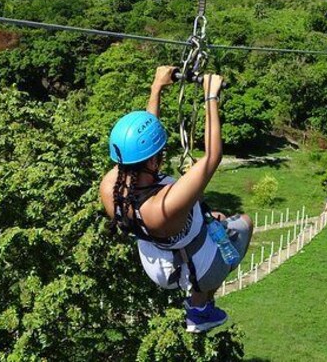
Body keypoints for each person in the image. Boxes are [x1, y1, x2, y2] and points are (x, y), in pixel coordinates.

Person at [99, 66, 253, 333]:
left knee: (215, 216)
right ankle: (200, 307)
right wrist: (210, 98)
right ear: (150, 159)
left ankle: (200, 300)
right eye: (159, 153)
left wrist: (156, 87)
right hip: (194, 270)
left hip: (157, 264)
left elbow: (138, 147)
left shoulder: (110, 185)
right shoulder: (163, 206)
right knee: (245, 224)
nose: (161, 156)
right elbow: (212, 157)